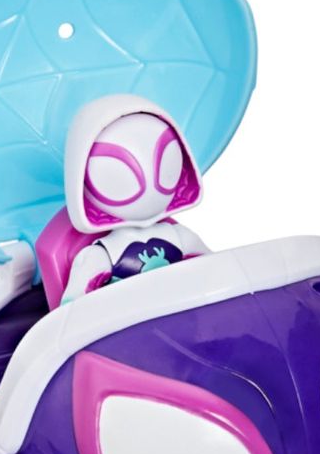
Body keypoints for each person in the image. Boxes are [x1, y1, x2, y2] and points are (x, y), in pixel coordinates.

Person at [61, 95, 209, 303]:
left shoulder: (182, 237)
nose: (147, 175)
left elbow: (220, 272)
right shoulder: (101, 256)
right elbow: (71, 309)